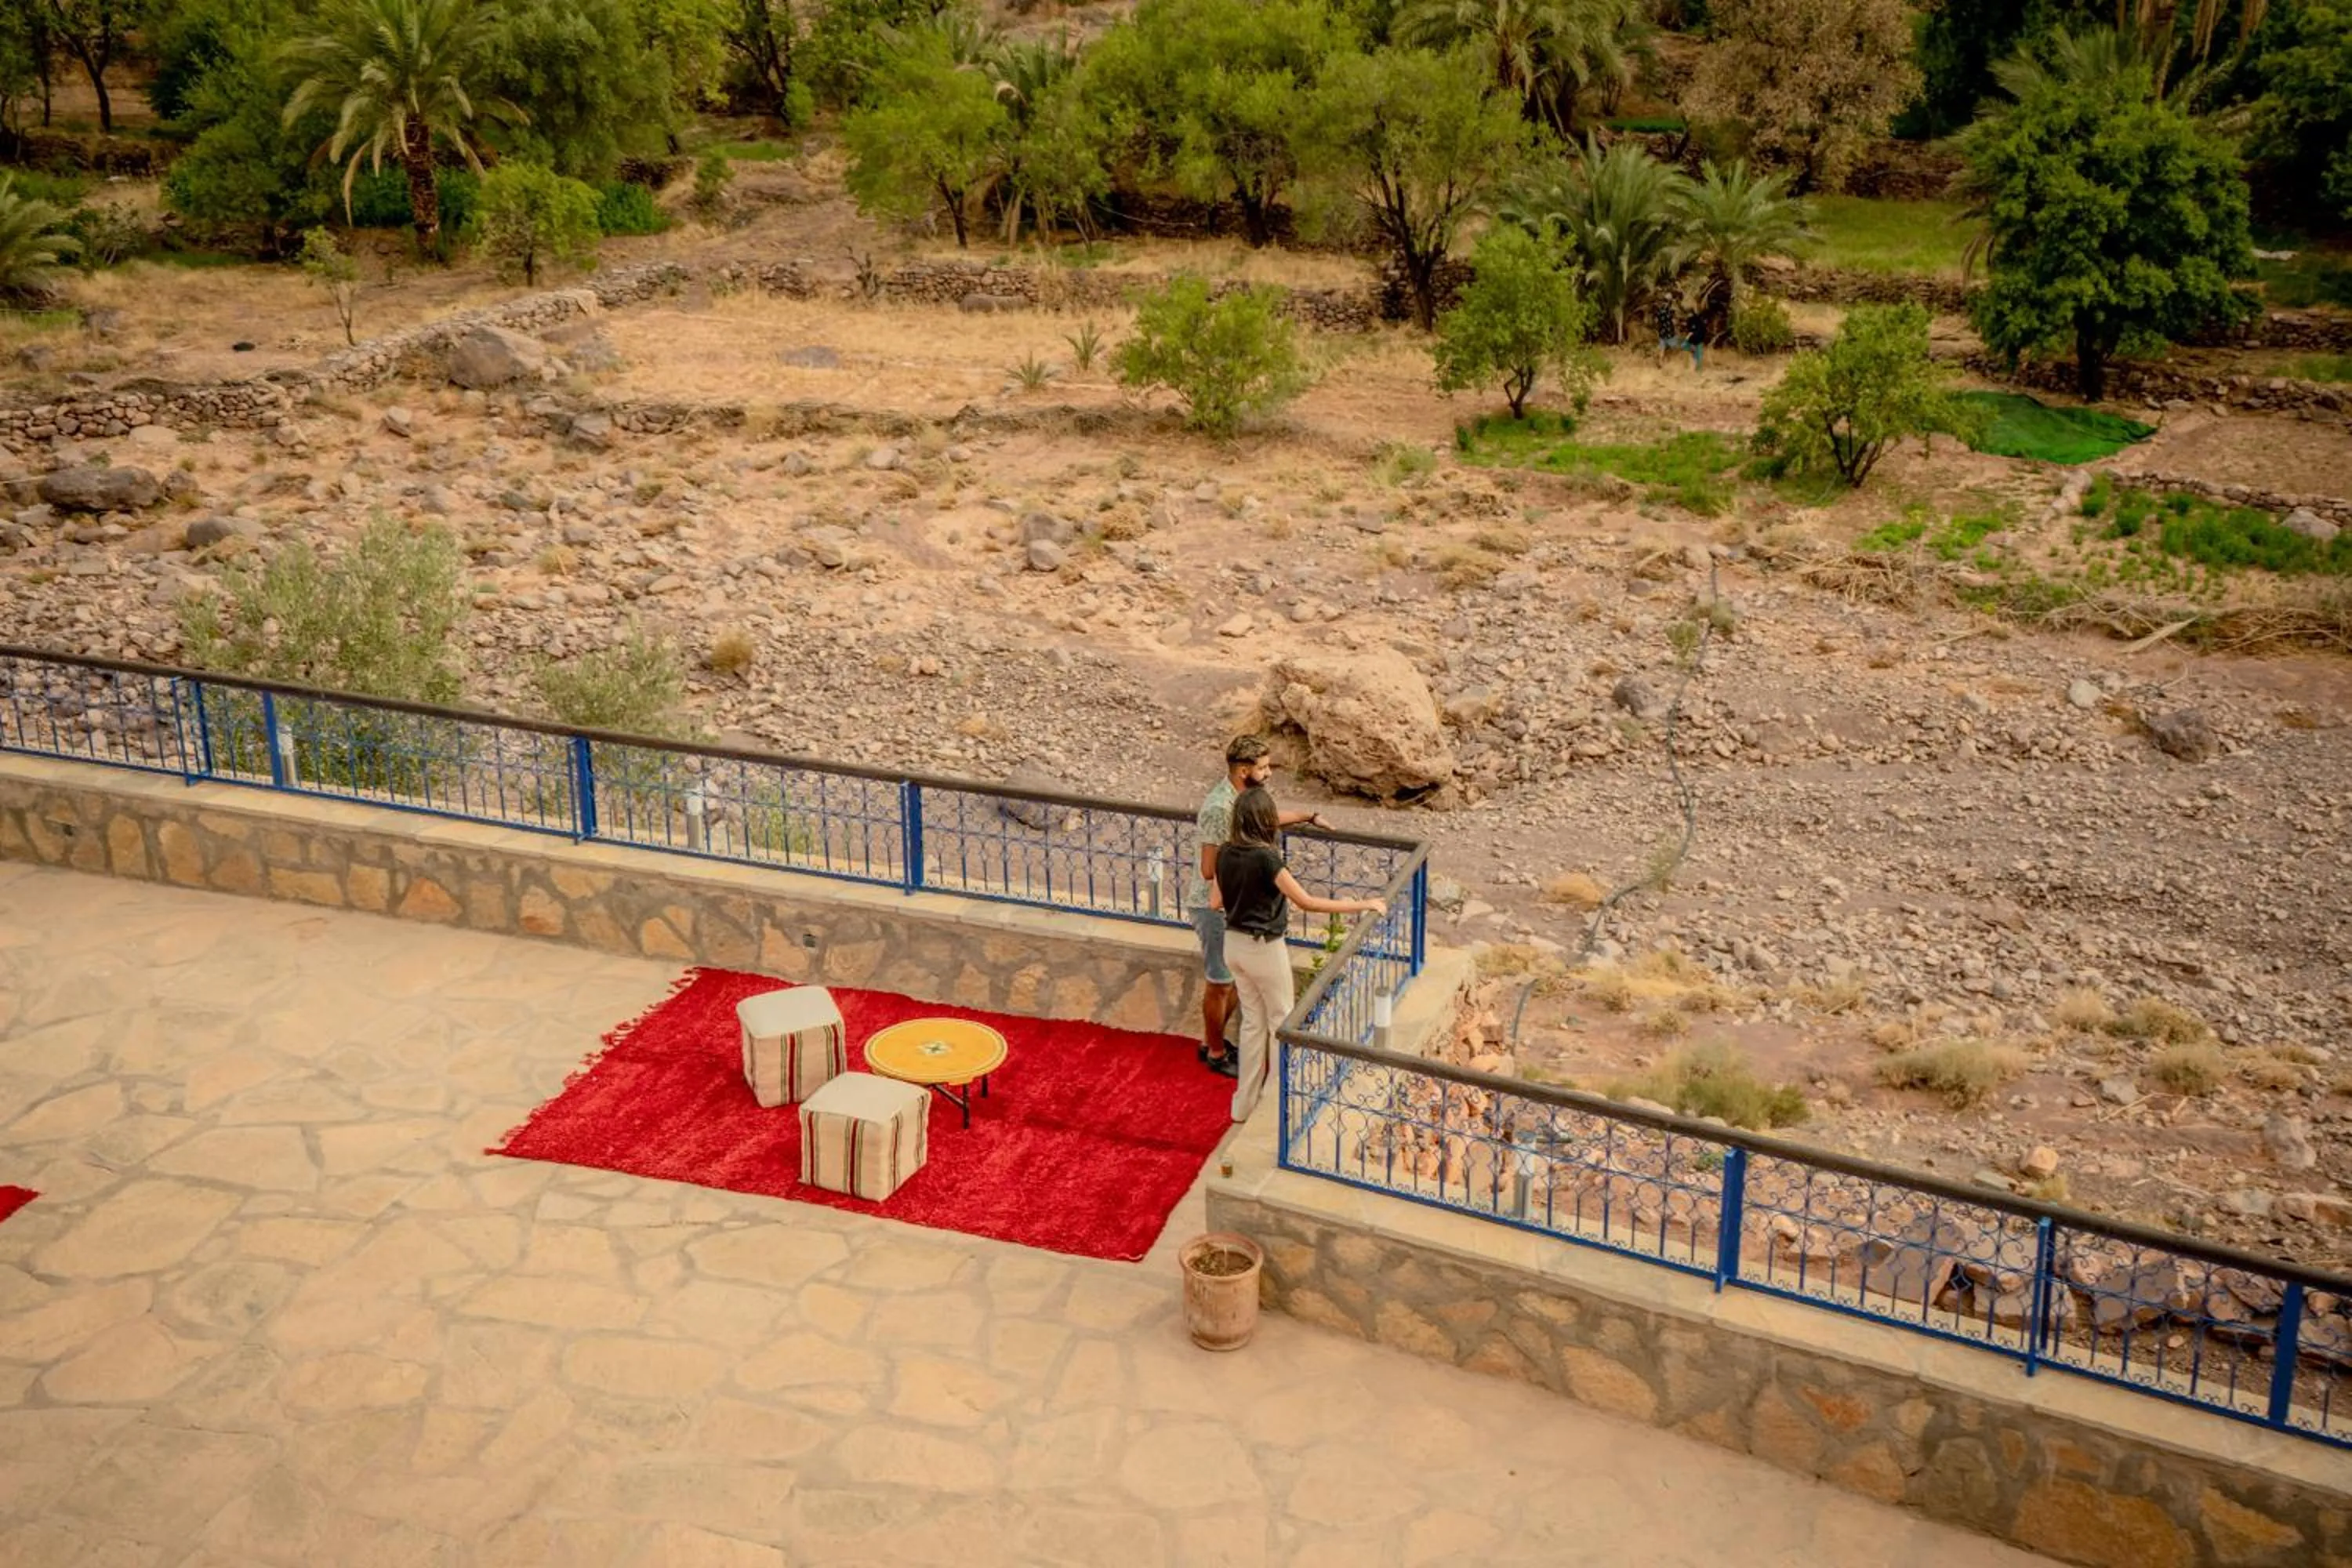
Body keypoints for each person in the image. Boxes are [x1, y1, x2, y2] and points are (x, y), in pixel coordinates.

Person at [1213, 786, 1385, 1123]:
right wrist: (1364, 904)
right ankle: (1274, 1104)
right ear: (1265, 820)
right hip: (1264, 946)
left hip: (1233, 943)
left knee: (1251, 1024)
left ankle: (1242, 1105)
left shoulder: (1223, 851)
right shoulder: (1266, 857)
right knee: (1282, 1023)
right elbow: (1306, 901)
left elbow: (1214, 902)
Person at [1188, 737, 1325, 1078]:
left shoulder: (1243, 799)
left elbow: (1264, 818)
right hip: (1215, 907)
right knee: (1220, 982)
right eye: (1263, 768)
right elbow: (1209, 869)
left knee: (1232, 979)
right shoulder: (1220, 808)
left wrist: (1307, 815)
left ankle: (1213, 1041)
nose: (1268, 774)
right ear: (1244, 771)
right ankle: (1215, 1051)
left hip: (1230, 904)